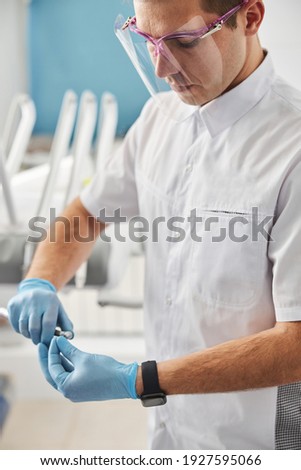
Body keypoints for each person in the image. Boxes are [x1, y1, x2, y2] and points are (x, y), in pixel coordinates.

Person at [7, 0, 301, 450]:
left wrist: (137, 379)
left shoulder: (291, 149)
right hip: (168, 429)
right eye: (147, 41)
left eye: (182, 41)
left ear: (251, 17)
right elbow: (87, 213)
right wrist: (40, 280)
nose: (162, 68)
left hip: (256, 442)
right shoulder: (159, 120)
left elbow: (296, 345)